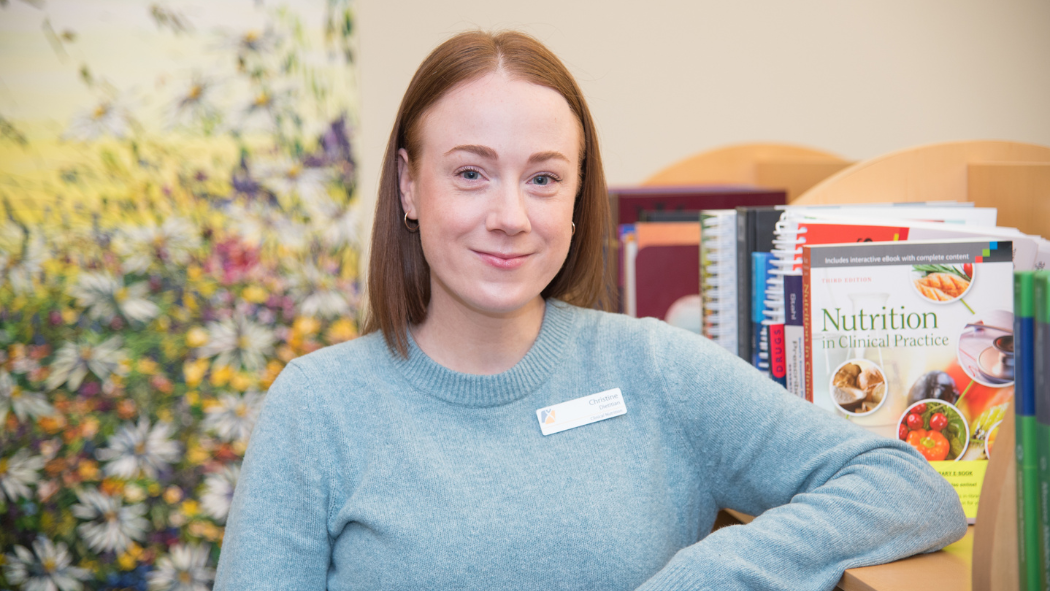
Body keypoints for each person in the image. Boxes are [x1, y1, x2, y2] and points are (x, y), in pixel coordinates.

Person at [214, 30, 967, 590]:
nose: (509, 214)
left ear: (578, 198)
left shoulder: (653, 367)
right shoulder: (316, 406)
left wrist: (707, 574)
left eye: (543, 179)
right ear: (410, 187)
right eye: (471, 172)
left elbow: (906, 488)